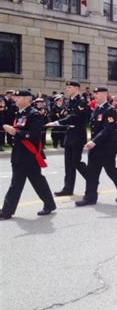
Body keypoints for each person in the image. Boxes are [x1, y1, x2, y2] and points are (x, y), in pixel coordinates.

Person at [0, 89, 56, 220]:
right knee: (18, 182)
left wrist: (15, 132)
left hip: (29, 155)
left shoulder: (34, 114)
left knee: (36, 181)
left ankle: (49, 204)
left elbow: (34, 135)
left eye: (18, 98)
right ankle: (7, 211)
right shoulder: (19, 113)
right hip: (19, 154)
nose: (15, 99)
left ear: (26, 99)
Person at [75, 87, 117, 206]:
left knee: (111, 171)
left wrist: (94, 141)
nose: (95, 95)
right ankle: (90, 197)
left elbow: (108, 129)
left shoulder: (110, 110)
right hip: (96, 148)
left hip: (106, 148)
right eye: (94, 93)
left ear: (105, 94)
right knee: (92, 173)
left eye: (98, 93)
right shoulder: (97, 109)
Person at [45, 81, 89, 196]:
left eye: (69, 87)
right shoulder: (70, 102)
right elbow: (67, 115)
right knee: (68, 163)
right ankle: (68, 188)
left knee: (76, 161)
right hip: (70, 134)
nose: (67, 90)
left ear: (76, 88)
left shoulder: (82, 102)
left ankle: (92, 179)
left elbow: (74, 117)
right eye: (67, 87)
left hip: (78, 134)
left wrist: (57, 122)